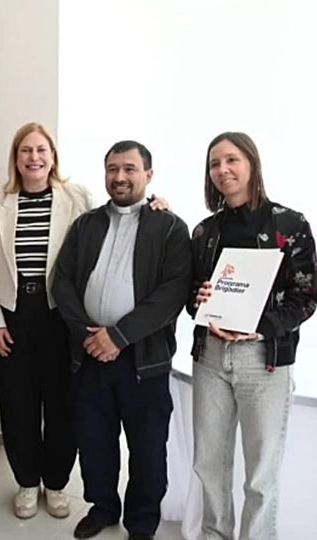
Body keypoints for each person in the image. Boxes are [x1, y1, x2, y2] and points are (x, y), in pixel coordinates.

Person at [52, 140, 191, 540]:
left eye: (130, 168)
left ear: (148, 174)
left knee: (148, 449)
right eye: (113, 168)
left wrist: (119, 335)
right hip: (90, 354)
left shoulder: (169, 228)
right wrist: (89, 335)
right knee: (94, 441)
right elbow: (62, 282)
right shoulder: (87, 225)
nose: (120, 177)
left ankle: (142, 523)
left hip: (143, 359)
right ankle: (103, 507)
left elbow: (172, 292)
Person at [189, 132, 317, 540]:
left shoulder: (290, 224)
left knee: (260, 474)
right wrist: (201, 302)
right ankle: (214, 535)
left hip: (264, 360)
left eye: (232, 160)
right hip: (210, 356)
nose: (223, 170)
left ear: (251, 163)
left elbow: (307, 297)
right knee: (209, 465)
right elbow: (192, 298)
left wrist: (259, 326)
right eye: (214, 164)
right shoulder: (204, 231)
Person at [0, 122, 91, 519]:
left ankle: (56, 483)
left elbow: (112, 230)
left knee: (62, 403)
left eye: (41, 150)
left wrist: (155, 206)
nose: (34, 157)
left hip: (60, 315)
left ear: (53, 156)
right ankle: (27, 482)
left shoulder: (76, 199)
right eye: (26, 150)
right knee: (17, 403)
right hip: (14, 315)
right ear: (16, 158)